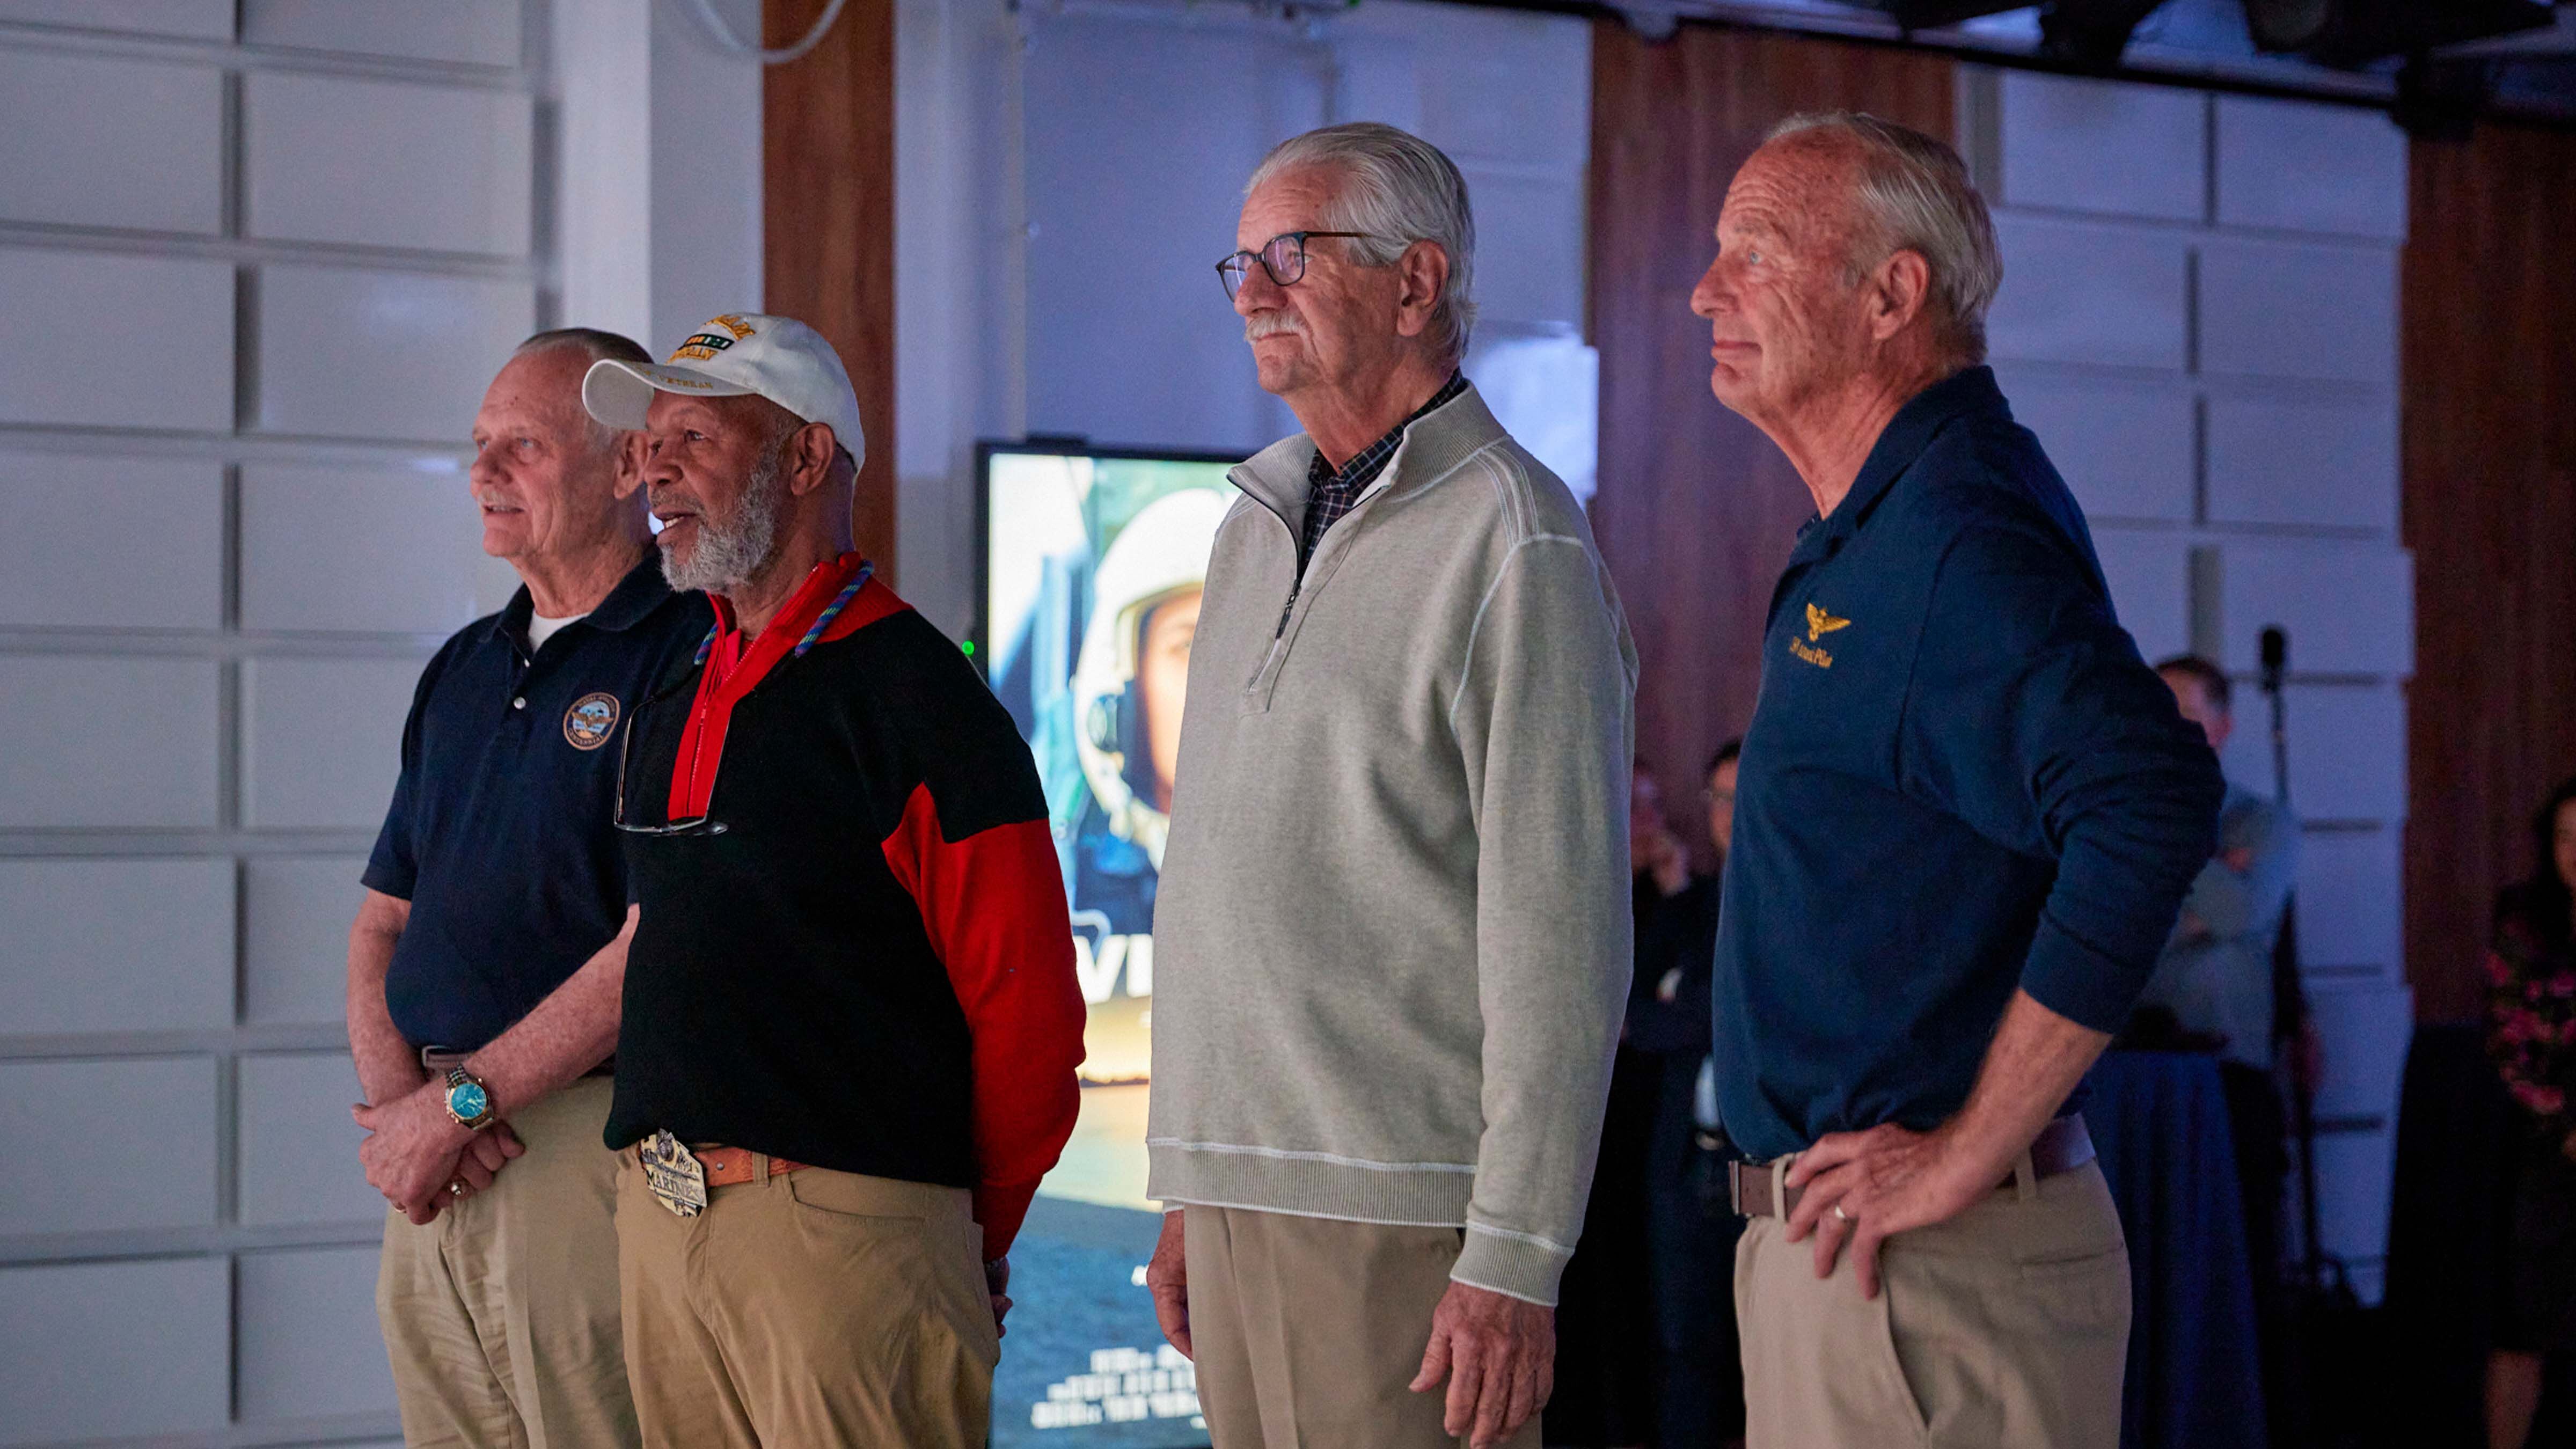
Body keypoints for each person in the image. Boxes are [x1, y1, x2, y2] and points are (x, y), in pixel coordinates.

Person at [1694, 113, 2224, 1448]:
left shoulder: (1952, 535)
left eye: (1755, 253)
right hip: (1871, 1276)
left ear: (1891, 294)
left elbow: (2149, 798)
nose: (1707, 290)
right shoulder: (1889, 517)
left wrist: (1967, 1148)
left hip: (1926, 1285)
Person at [1143, 122, 1638, 1449]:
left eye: (1289, 255)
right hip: (1245, 1195)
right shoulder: (1250, 521)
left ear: (1415, 285)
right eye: (1239, 260)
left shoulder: (1514, 539)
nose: (1250, 287)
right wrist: (1195, 1180)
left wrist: (1515, 1253)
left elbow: (1561, 936)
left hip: (1402, 1217)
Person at [579, 312, 1089, 1447]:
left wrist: (959, 1230)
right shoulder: (676, 685)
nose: (653, 469)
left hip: (847, 1238)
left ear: (807, 458)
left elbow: (1032, 1022)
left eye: (695, 438)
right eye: (650, 440)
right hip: (663, 1226)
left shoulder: (923, 703)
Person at [349, 327, 711, 1448]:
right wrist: (407, 1108)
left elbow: (666, 936)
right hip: (436, 1160)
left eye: (524, 446)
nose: (484, 473)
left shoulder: (692, 649)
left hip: (581, 1153)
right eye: (479, 446)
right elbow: (381, 922)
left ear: (625, 468)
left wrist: (467, 1106)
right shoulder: (463, 666)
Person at [1627, 743, 1747, 1449]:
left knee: (1767, 1355)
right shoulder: (1687, 904)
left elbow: (1759, 1012)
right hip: (1682, 1165)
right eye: (1719, 799)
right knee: (1683, 1356)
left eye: (1742, 795)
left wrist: (1689, 1000)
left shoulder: (1795, 904)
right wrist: (1706, 1007)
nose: (1729, 814)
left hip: (1766, 1167)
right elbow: (1636, 1019)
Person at [2483, 774, 2576, 1449]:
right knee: (2523, 1323)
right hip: (2543, 1141)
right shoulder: (2524, 916)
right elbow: (2511, 1036)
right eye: (2567, 838)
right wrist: (2565, 1125)